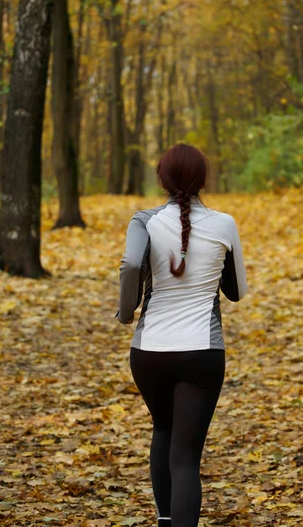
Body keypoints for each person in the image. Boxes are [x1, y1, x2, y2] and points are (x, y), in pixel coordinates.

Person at [116, 143, 247, 527]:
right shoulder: (225, 223)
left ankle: (164, 521)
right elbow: (236, 291)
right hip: (202, 353)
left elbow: (129, 265)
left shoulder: (144, 221)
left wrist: (127, 312)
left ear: (162, 178)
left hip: (149, 351)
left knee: (163, 429)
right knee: (186, 456)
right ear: (203, 180)